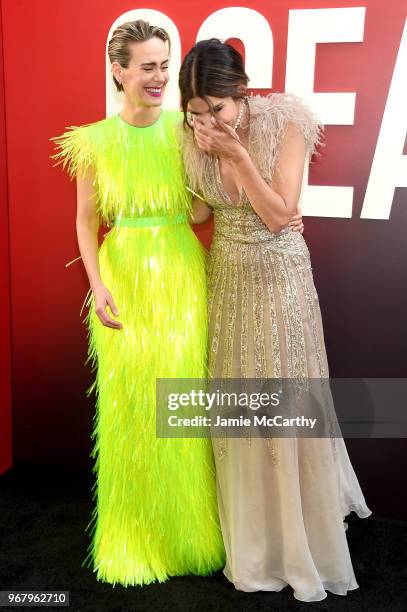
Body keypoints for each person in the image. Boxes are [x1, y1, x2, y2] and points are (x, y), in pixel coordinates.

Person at [179, 38, 372, 603]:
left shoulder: (284, 121)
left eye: (217, 108)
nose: (207, 121)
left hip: (282, 281)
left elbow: (280, 215)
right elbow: (197, 211)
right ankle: (256, 544)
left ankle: (301, 542)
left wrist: (235, 155)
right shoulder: (190, 136)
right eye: (195, 112)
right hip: (230, 284)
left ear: (240, 91)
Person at [50, 20, 227, 587]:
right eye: (146, 66)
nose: (159, 76)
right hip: (123, 276)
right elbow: (84, 221)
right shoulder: (95, 142)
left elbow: (202, 212)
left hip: (179, 275)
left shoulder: (185, 128)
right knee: (129, 411)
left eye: (163, 64)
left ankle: (190, 538)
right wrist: (97, 286)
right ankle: (134, 541)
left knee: (180, 405)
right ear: (118, 70)